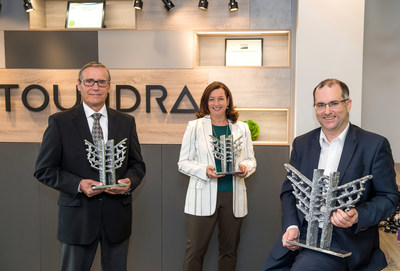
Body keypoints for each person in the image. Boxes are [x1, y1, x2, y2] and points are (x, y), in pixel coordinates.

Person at [262, 79, 400, 271]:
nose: (327, 111)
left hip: (343, 241)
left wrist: (358, 215)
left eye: (334, 103)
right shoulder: (302, 144)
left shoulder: (374, 145)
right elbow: (289, 191)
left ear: (348, 104)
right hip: (299, 235)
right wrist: (291, 226)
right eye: (321, 105)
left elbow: (389, 198)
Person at [34, 61, 146, 271]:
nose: (95, 87)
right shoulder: (60, 122)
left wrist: (129, 182)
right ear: (79, 85)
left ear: (109, 86)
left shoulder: (126, 121)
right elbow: (44, 170)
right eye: (89, 81)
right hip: (78, 219)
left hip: (116, 219)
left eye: (101, 82)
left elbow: (137, 164)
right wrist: (79, 184)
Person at [178, 81, 257, 271]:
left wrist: (245, 167)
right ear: (206, 103)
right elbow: (183, 163)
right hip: (202, 195)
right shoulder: (195, 127)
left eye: (221, 98)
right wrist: (204, 170)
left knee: (229, 252)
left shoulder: (242, 128)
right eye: (211, 99)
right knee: (195, 251)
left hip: (233, 196)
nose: (216, 103)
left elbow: (251, 160)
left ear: (228, 101)